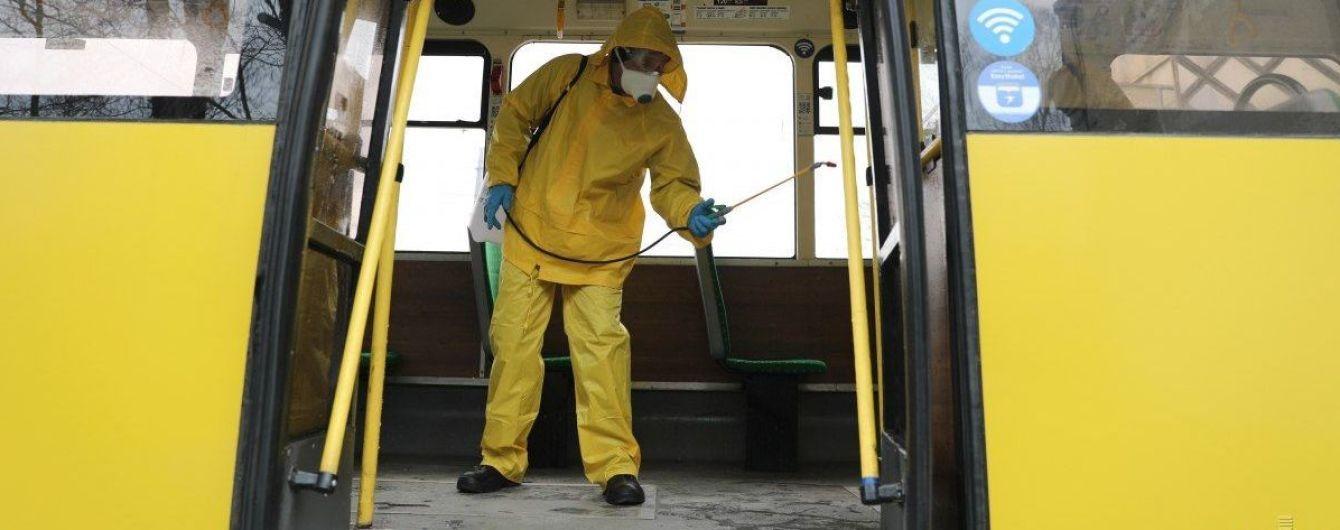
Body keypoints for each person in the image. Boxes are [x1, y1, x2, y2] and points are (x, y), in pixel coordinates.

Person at [455, 6, 724, 506]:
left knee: (602, 358)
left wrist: (690, 212)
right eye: (642, 61)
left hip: (600, 251)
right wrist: (503, 177)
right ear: (616, 54)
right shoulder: (567, 75)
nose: (650, 72)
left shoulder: (661, 121)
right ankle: (500, 460)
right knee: (513, 349)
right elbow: (514, 116)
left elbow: (674, 184)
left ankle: (616, 468)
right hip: (532, 234)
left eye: (659, 65)